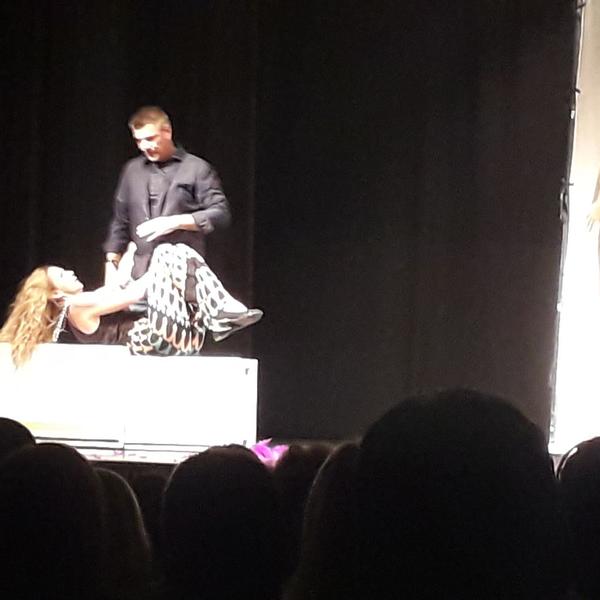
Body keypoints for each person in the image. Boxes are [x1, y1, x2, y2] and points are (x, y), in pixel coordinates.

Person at [0, 243, 262, 367]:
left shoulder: (85, 304)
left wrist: (124, 255)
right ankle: (220, 315)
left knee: (179, 252)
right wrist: (158, 269)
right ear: (56, 293)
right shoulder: (76, 306)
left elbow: (114, 287)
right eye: (61, 275)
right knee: (166, 253)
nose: (70, 272)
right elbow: (132, 294)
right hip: (156, 338)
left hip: (175, 338)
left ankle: (221, 313)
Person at [103, 105, 231, 283]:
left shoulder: (196, 168)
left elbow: (220, 214)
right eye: (139, 141)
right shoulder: (132, 170)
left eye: (150, 139)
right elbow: (120, 221)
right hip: (140, 273)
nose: (145, 146)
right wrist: (112, 262)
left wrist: (174, 222)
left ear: (167, 131)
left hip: (182, 274)